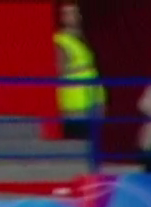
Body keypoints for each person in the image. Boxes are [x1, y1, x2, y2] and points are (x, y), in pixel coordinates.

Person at [51, 1, 103, 143]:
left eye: (74, 12)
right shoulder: (61, 41)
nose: (71, 17)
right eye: (66, 13)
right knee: (78, 141)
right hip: (74, 104)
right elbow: (59, 71)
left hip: (91, 99)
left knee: (92, 143)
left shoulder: (82, 39)